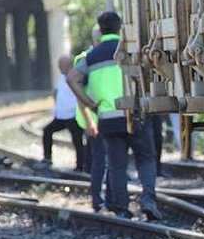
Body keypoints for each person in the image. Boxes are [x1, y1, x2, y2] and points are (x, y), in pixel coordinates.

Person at [67, 11, 162, 221]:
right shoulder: (130, 50)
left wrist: (89, 103)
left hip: (108, 118)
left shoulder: (92, 56)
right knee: (145, 158)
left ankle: (121, 208)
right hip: (135, 113)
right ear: (120, 28)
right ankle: (148, 199)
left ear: (100, 30)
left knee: (117, 164)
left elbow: (71, 78)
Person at [74, 26, 113, 212]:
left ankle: (108, 199)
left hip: (104, 114)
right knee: (100, 160)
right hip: (95, 117)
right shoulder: (87, 58)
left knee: (107, 159)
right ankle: (97, 199)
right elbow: (79, 93)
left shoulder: (98, 55)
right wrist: (89, 120)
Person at [39, 56, 85, 171]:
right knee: (47, 131)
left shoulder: (76, 75)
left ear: (68, 65)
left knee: (77, 140)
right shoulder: (61, 77)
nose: (59, 68)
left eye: (61, 66)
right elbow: (57, 92)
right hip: (61, 116)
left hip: (73, 114)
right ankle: (47, 158)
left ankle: (81, 165)